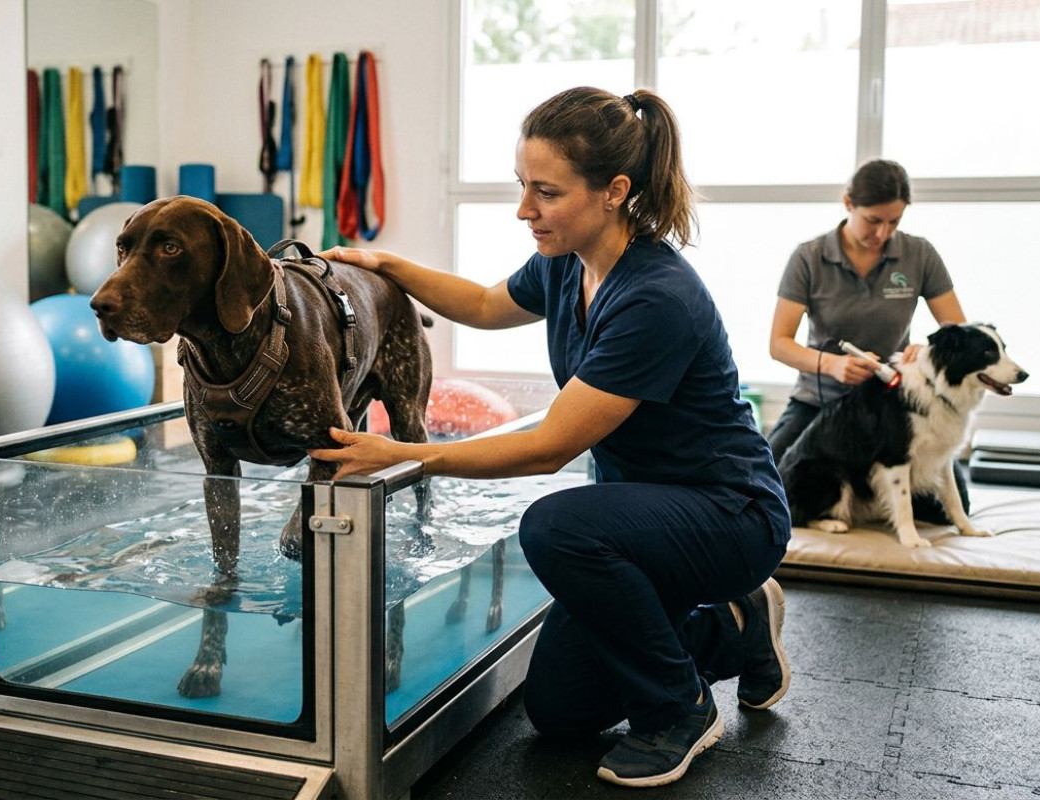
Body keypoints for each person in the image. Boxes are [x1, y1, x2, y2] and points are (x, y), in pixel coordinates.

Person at [308, 87, 791, 788]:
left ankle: (681, 711)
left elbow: (548, 448)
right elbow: (480, 304)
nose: (524, 210)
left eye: (546, 192)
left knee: (557, 527)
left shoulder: (655, 297)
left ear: (614, 191)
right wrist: (387, 267)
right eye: (520, 187)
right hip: (641, 519)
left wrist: (404, 455)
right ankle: (736, 628)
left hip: (727, 515)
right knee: (561, 711)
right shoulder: (568, 261)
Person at [767, 159, 970, 519]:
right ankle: (859, 496)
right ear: (848, 203)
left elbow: (958, 330)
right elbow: (780, 343)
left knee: (947, 509)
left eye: (894, 222)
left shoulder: (919, 254)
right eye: (874, 220)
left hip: (888, 405)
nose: (883, 233)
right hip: (820, 402)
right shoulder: (809, 258)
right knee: (769, 490)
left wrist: (928, 349)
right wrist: (831, 364)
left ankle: (868, 497)